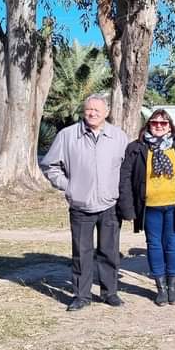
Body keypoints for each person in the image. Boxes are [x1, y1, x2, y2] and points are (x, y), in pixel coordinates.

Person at [41, 94, 129, 311]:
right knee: (82, 252)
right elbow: (50, 166)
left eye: (97, 110)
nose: (92, 113)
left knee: (109, 251)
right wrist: (69, 186)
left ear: (106, 113)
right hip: (81, 205)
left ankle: (110, 292)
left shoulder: (119, 137)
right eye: (88, 109)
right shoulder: (68, 135)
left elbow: (127, 169)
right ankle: (81, 295)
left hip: (110, 205)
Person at [117, 109, 175, 306]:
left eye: (163, 123)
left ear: (170, 126)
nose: (158, 126)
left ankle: (173, 287)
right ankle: (160, 287)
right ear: (148, 124)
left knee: (173, 246)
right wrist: (127, 208)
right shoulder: (136, 148)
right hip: (150, 207)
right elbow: (125, 179)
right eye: (154, 122)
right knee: (154, 245)